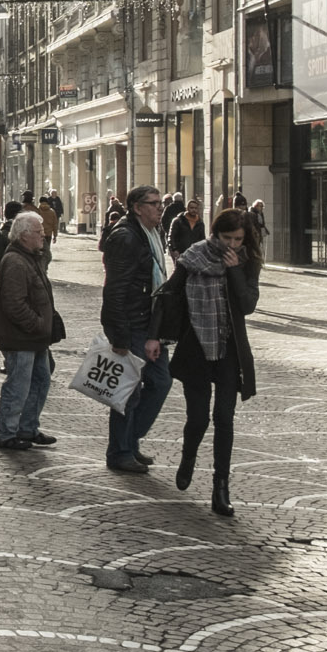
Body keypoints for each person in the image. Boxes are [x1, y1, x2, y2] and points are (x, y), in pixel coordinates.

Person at [171, 209, 262, 517]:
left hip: (229, 349)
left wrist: (235, 271)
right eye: (227, 238)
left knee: (224, 418)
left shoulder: (247, 260)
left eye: (238, 239)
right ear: (215, 234)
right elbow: (171, 297)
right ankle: (188, 457)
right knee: (198, 419)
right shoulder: (193, 257)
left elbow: (248, 305)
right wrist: (155, 337)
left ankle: (220, 488)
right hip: (195, 346)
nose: (232, 245)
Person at [100, 185, 171, 474]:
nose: (159, 208)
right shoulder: (126, 237)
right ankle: (120, 451)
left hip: (151, 323)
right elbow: (114, 291)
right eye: (153, 204)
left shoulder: (151, 234)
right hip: (133, 323)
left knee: (161, 382)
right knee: (128, 392)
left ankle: (130, 440)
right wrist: (120, 336)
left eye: (159, 203)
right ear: (137, 207)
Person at [0, 212, 59, 451]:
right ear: (24, 236)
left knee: (41, 380)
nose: (43, 236)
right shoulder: (15, 261)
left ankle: (27, 428)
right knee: (18, 385)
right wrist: (38, 324)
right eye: (38, 232)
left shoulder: (31, 257)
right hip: (21, 337)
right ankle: (6, 433)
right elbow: (14, 305)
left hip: (34, 337)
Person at [168, 199, 206, 265]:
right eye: (191, 208)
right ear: (187, 208)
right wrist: (174, 249)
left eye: (195, 208)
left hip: (194, 253)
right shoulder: (178, 221)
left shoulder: (200, 223)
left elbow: (202, 238)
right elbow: (171, 237)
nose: (194, 210)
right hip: (181, 252)